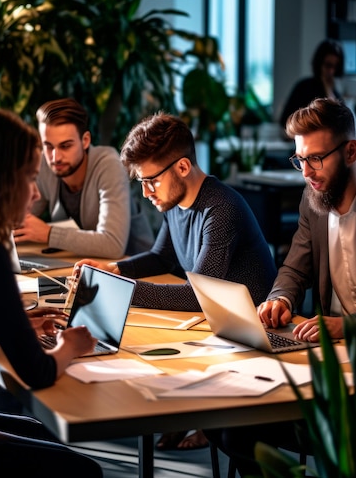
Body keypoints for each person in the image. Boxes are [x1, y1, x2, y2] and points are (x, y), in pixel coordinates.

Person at [77, 111, 277, 450]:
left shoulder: (221, 208)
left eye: (151, 180)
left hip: (257, 343)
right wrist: (116, 270)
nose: (145, 192)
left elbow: (198, 295)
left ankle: (203, 423)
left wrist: (124, 291)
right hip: (214, 334)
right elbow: (161, 257)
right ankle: (192, 420)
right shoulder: (173, 203)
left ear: (182, 167)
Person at [0, 108, 103, 475]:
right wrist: (72, 346)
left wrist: (19, 323)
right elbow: (40, 372)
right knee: (84, 471)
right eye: (28, 177)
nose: (33, 193)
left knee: (34, 429)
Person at [205, 97, 356, 476]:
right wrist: (280, 298)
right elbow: (294, 265)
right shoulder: (313, 198)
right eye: (300, 159)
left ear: (352, 150)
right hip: (330, 364)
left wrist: (347, 326)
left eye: (317, 158)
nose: (306, 171)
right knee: (230, 426)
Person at [13, 97, 154, 257]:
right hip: (80, 265)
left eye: (65, 146)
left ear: (85, 140)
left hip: (133, 271)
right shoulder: (45, 164)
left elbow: (113, 245)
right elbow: (22, 218)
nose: (55, 157)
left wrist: (49, 234)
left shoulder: (108, 164)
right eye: (48, 146)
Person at [279, 38, 344, 131]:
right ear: (319, 64)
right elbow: (285, 120)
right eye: (328, 65)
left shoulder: (334, 92)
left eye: (335, 67)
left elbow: (339, 124)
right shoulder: (304, 88)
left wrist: (328, 89)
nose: (331, 71)